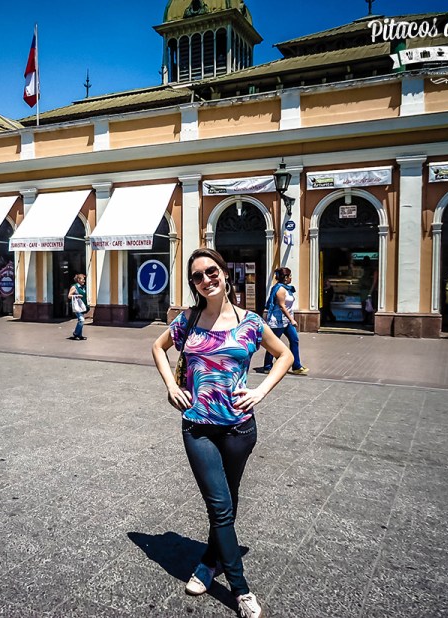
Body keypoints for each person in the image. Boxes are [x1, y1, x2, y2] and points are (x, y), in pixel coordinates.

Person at [151, 248, 292, 618]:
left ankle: (207, 563)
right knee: (219, 505)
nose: (205, 280)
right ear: (193, 285)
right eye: (197, 276)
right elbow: (157, 346)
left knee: (227, 503)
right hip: (198, 427)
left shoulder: (250, 322)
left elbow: (285, 354)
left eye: (210, 271)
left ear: (224, 273)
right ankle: (241, 590)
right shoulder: (189, 319)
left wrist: (260, 391)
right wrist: (171, 385)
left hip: (239, 429)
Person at [262, 267, 309, 375]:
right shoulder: (280, 289)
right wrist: (292, 320)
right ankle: (267, 366)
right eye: (290, 276)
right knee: (273, 343)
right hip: (278, 321)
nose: (291, 278)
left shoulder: (286, 288)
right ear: (286, 277)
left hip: (286, 321)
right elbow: (282, 306)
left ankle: (296, 366)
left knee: (294, 340)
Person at [67, 273, 88, 340]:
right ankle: (76, 333)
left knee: (80, 320)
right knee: (81, 320)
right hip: (76, 306)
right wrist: (77, 296)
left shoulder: (83, 287)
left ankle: (79, 335)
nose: (84, 281)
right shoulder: (74, 287)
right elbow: (69, 296)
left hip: (82, 305)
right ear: (78, 280)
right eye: (83, 279)